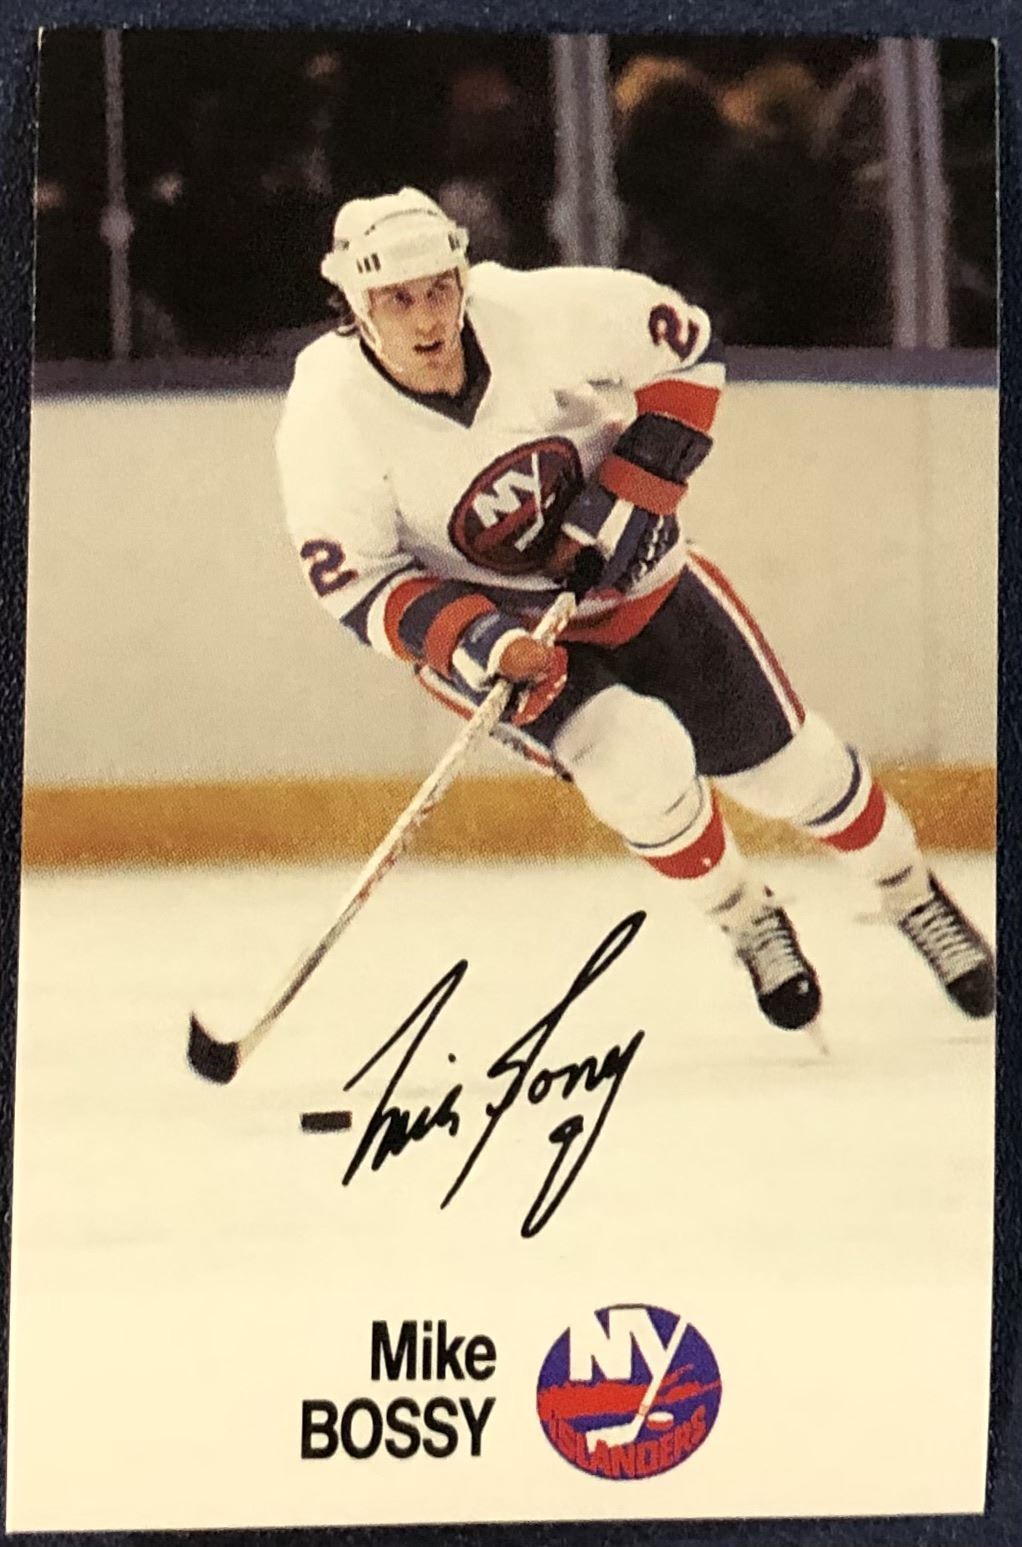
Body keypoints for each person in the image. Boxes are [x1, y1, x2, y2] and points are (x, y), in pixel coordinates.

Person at [275, 187, 994, 1032]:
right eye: (398, 300)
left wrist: (620, 505)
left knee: (790, 772)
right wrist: (482, 642)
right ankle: (744, 914)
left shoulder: (532, 313)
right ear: (356, 308)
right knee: (636, 764)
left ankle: (908, 889)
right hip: (507, 637)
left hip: (641, 588)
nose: (429, 317)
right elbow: (358, 582)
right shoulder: (329, 413)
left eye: (439, 288)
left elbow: (687, 350)